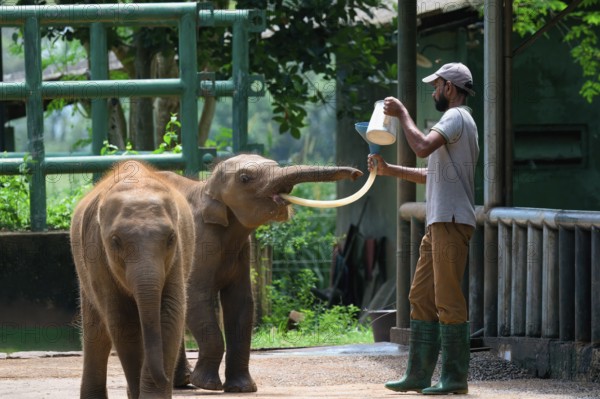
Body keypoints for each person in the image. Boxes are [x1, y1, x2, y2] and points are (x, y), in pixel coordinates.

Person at [368, 62, 479, 395]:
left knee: (447, 298)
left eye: (436, 86)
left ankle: (455, 378)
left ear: (449, 87)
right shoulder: (458, 123)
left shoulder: (456, 117)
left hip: (451, 220)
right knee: (420, 296)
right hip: (440, 221)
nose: (433, 92)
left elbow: (419, 146)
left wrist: (401, 113)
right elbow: (431, 174)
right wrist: (389, 170)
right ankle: (418, 374)